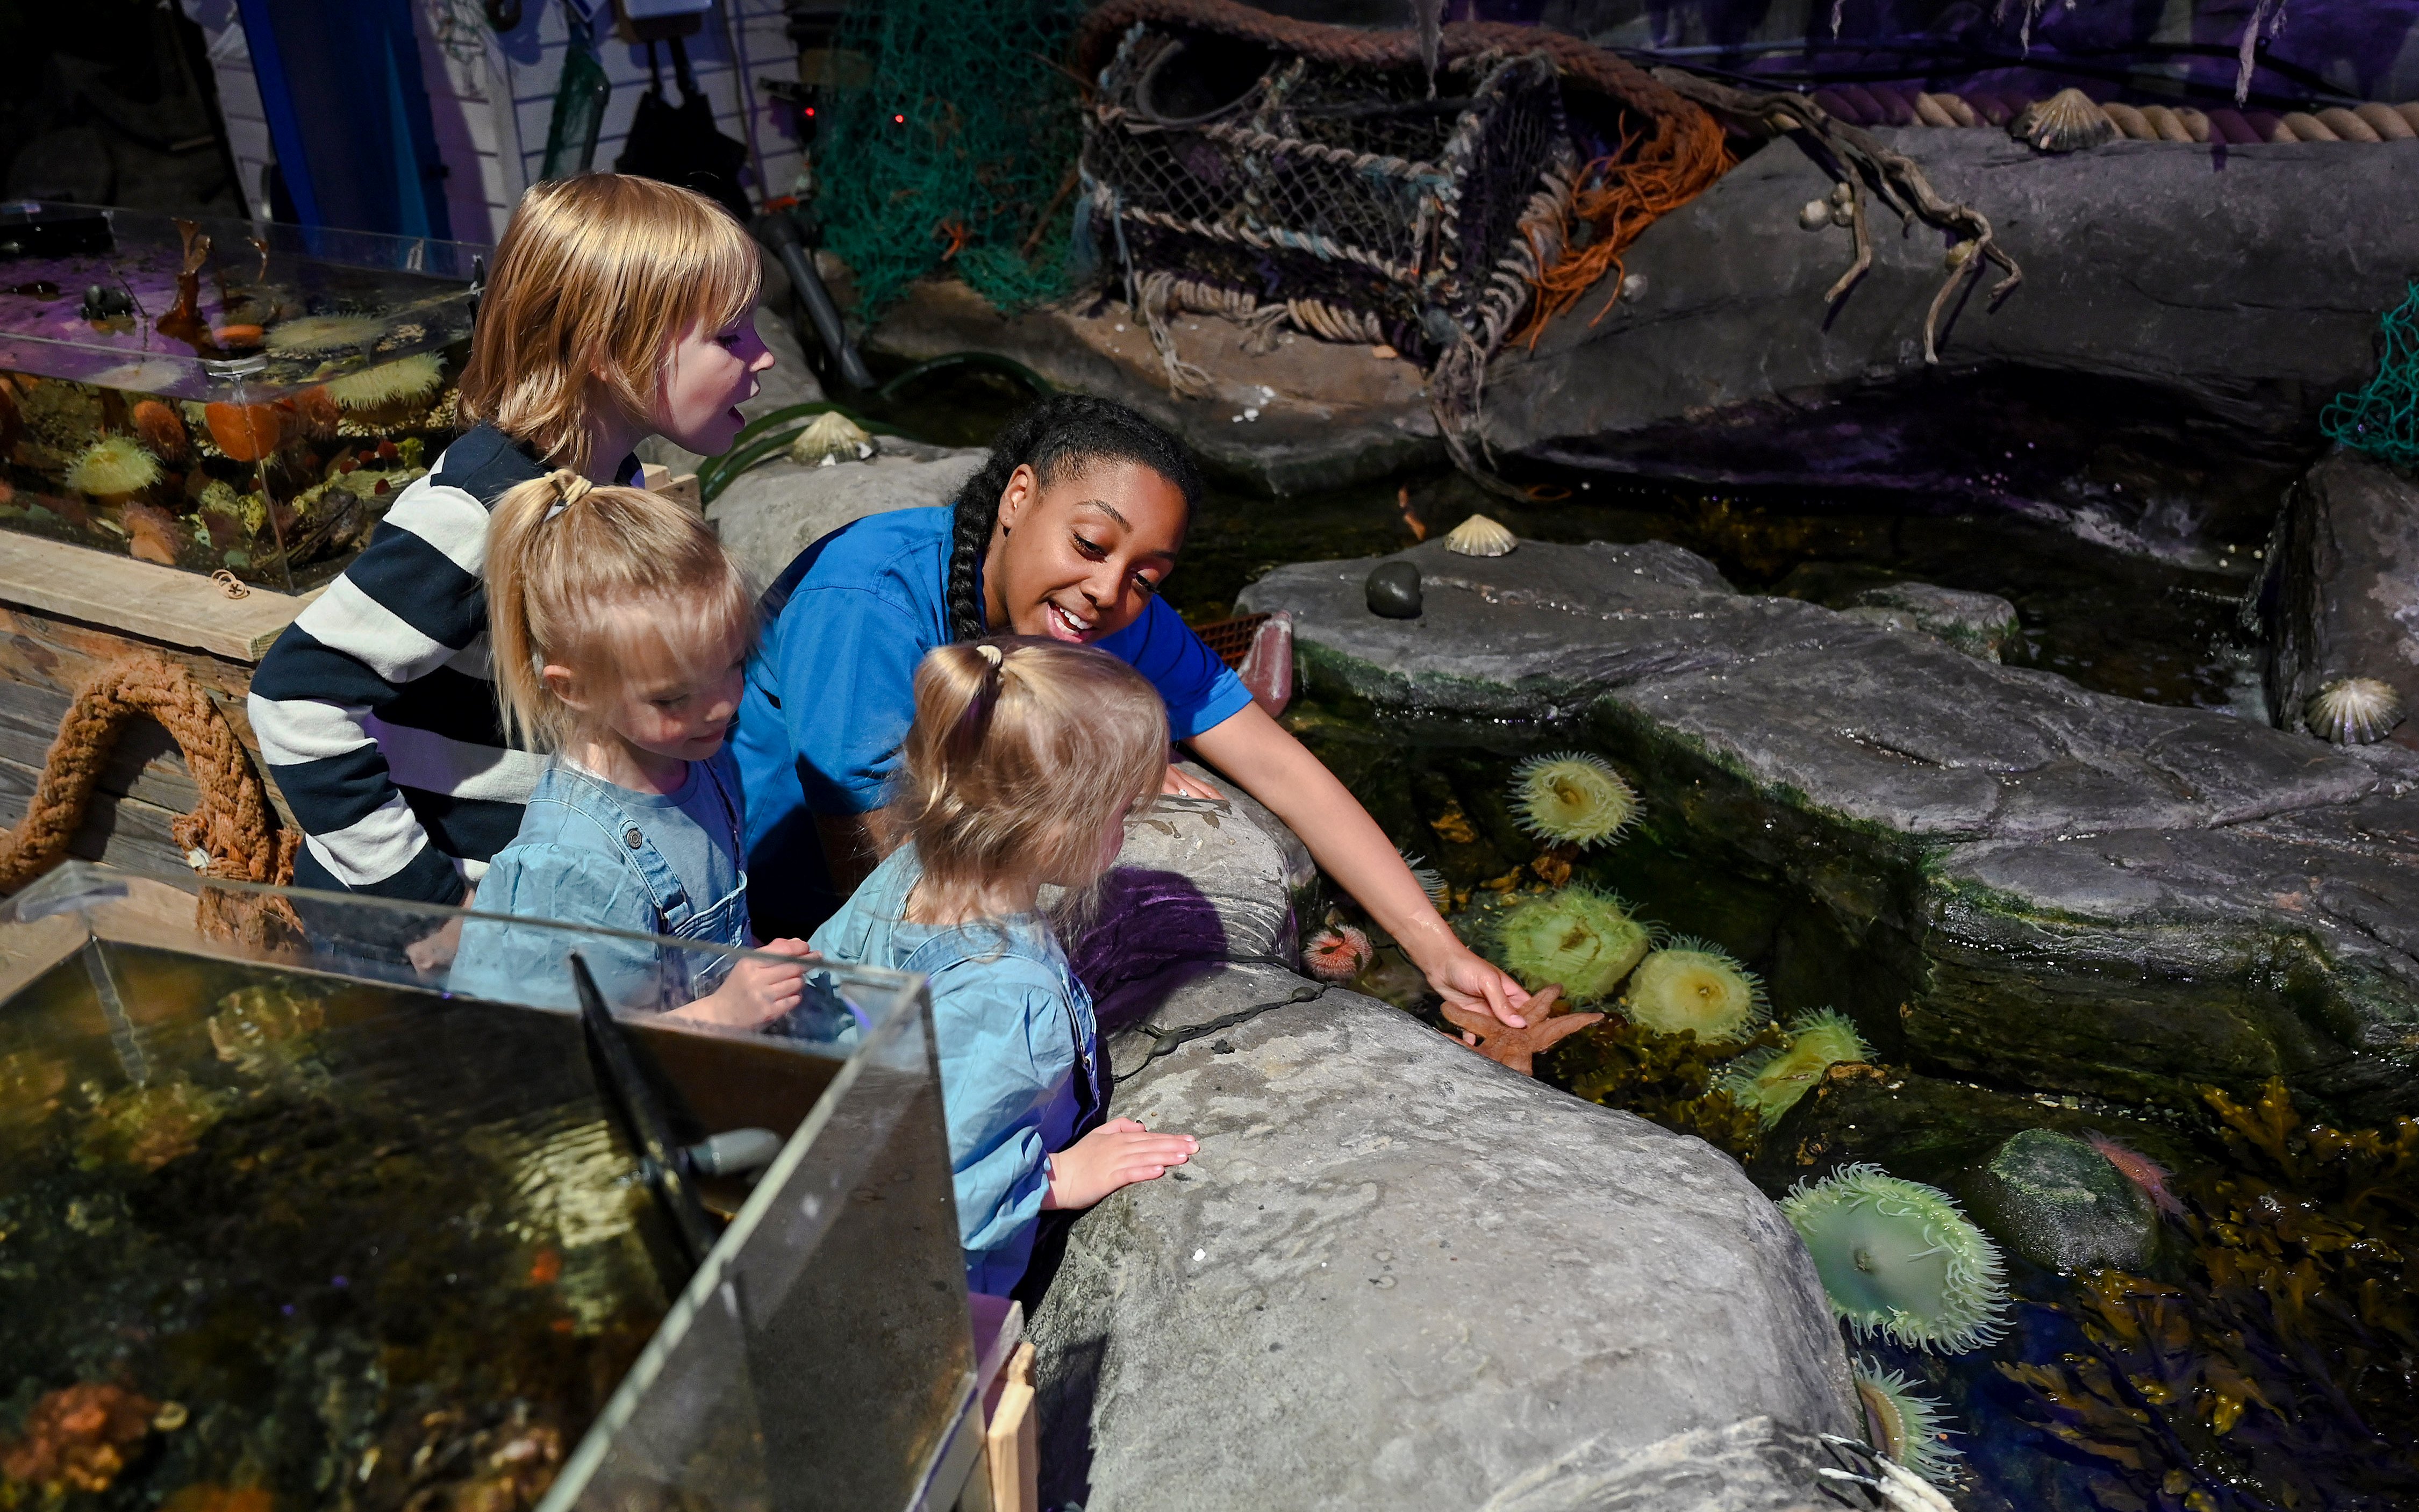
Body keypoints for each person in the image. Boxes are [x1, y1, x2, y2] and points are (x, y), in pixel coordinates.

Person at [735, 394, 1536, 1027]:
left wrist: (1437, 948)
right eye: (1089, 544)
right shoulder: (869, 599)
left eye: (1147, 575)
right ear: (1020, 495)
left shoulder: (1113, 610)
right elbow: (875, 869)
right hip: (771, 926)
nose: (1109, 591)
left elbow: (1278, 763)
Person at [248, 174, 775, 931]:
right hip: (437, 936)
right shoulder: (471, 515)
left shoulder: (611, 482)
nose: (761, 359)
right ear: (606, 350)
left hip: (543, 896)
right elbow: (294, 699)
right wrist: (429, 910)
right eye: (729, 336)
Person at [810, 637, 1199, 1295]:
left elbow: (824, 984)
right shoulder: (1013, 993)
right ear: (1052, 826)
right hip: (938, 1297)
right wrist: (1059, 1176)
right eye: (1120, 811)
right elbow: (943, 1193)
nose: (1124, 832)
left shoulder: (908, 869)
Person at [449, 470, 811, 1024]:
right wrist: (725, 1011)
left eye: (735, 665)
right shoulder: (573, 869)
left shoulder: (698, 754)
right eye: (672, 697)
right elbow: (574, 1052)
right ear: (574, 688)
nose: (722, 707)